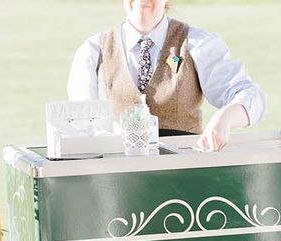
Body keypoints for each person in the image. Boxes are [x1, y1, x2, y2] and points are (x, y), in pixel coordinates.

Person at [67, 0, 266, 151]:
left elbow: (251, 96)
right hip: (118, 181)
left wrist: (226, 117)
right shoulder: (92, 51)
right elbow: (83, 123)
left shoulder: (198, 43)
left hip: (182, 180)